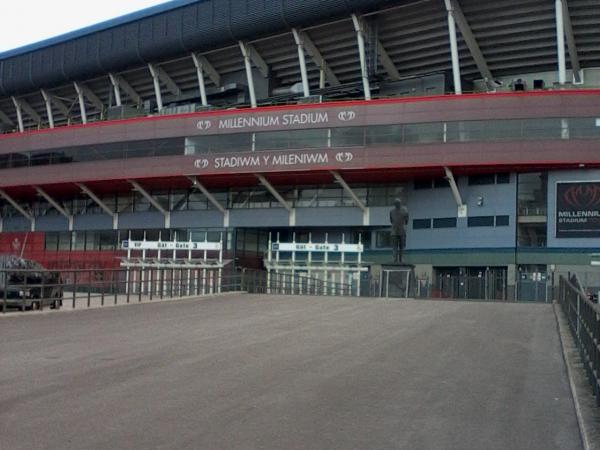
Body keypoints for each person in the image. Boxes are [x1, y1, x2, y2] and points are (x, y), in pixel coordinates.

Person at [390, 198, 407, 263]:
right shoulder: (391, 212)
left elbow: (406, 221)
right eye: (396, 203)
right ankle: (395, 258)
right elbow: (391, 220)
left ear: (400, 204)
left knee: (402, 246)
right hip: (394, 231)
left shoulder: (405, 211)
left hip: (401, 231)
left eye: (398, 203)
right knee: (394, 246)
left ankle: (401, 258)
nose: (397, 205)